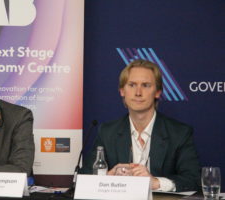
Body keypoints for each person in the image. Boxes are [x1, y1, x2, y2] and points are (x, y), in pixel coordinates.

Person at [82, 59, 201, 192]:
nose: (138, 93)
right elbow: (83, 178)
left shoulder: (179, 133)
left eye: (145, 85)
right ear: (122, 91)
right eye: (132, 85)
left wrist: (155, 183)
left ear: (157, 92)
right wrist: (108, 176)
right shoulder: (107, 132)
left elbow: (193, 180)